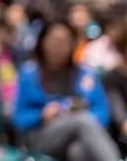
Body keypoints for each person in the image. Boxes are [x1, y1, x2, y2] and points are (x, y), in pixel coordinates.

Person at [12, 21, 120, 161]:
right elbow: (18, 118)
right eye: (55, 41)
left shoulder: (85, 74)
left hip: (80, 135)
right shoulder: (28, 73)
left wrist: (76, 113)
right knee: (81, 121)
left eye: (64, 41)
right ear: (42, 42)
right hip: (41, 136)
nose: (59, 47)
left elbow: (102, 113)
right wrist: (41, 115)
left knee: (78, 151)